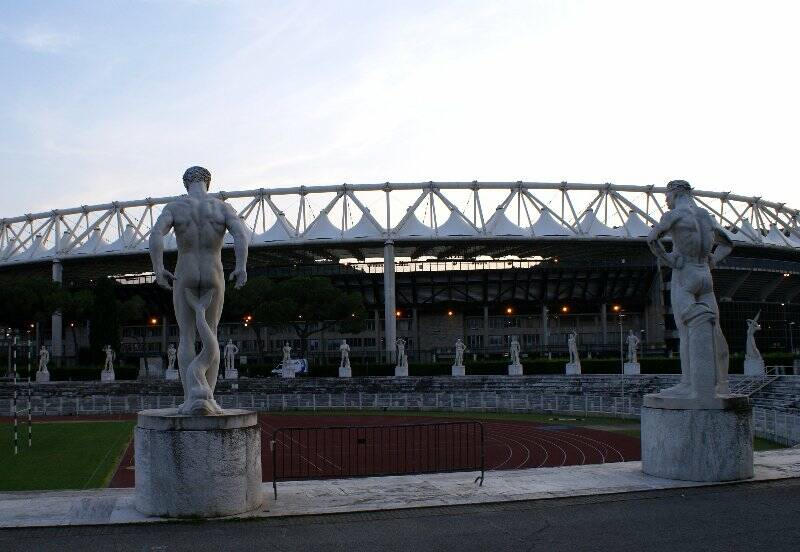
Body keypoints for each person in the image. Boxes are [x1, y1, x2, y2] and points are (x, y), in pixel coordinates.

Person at [150, 166, 249, 415]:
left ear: (186, 183)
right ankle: (210, 400)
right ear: (208, 181)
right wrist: (241, 266)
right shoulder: (222, 207)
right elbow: (240, 235)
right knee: (211, 334)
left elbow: (156, 234)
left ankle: (188, 399)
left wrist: (159, 267)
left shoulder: (175, 207)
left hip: (186, 271)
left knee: (186, 336)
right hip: (213, 271)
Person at [647, 180, 733, 397]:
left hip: (685, 273)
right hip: (705, 274)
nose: (665, 201)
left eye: (666, 196)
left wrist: (668, 259)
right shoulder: (706, 216)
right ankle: (722, 384)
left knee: (685, 331)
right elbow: (729, 243)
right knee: (715, 329)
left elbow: (651, 239)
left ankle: (688, 383)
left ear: (675, 193)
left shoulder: (674, 215)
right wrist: (713, 260)